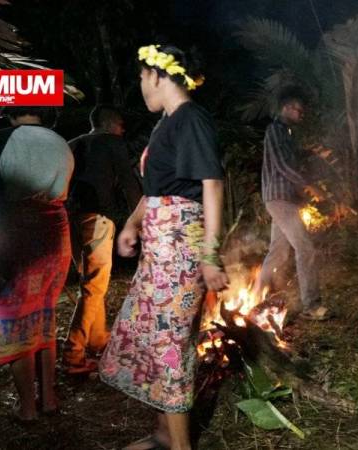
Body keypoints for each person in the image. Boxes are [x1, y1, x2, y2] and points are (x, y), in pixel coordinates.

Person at [98, 44, 229, 450]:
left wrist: (209, 254)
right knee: (152, 336)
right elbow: (156, 191)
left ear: (158, 75)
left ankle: (180, 446)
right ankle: (161, 434)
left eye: (141, 77)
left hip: (180, 246)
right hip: (159, 247)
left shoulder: (191, 118)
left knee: (169, 342)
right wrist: (132, 223)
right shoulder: (166, 125)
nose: (140, 86)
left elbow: (211, 184)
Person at [0, 106, 73, 422]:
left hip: (18, 233)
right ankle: (49, 398)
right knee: (44, 314)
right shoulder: (61, 142)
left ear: (10, 110)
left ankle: (28, 408)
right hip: (57, 232)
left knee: (15, 319)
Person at [62, 105, 142, 374]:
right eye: (121, 126)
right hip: (96, 217)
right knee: (94, 286)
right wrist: (140, 217)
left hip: (69, 217)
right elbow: (129, 182)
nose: (122, 130)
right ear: (111, 124)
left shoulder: (73, 144)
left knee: (90, 281)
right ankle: (73, 354)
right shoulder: (111, 141)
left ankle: (97, 338)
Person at [254, 86, 328, 320]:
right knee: (305, 248)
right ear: (286, 108)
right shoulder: (275, 130)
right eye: (297, 109)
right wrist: (310, 186)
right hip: (279, 198)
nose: (300, 114)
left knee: (278, 252)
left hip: (286, 199)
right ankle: (312, 306)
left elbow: (291, 162)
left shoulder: (286, 133)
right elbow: (283, 166)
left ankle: (255, 299)